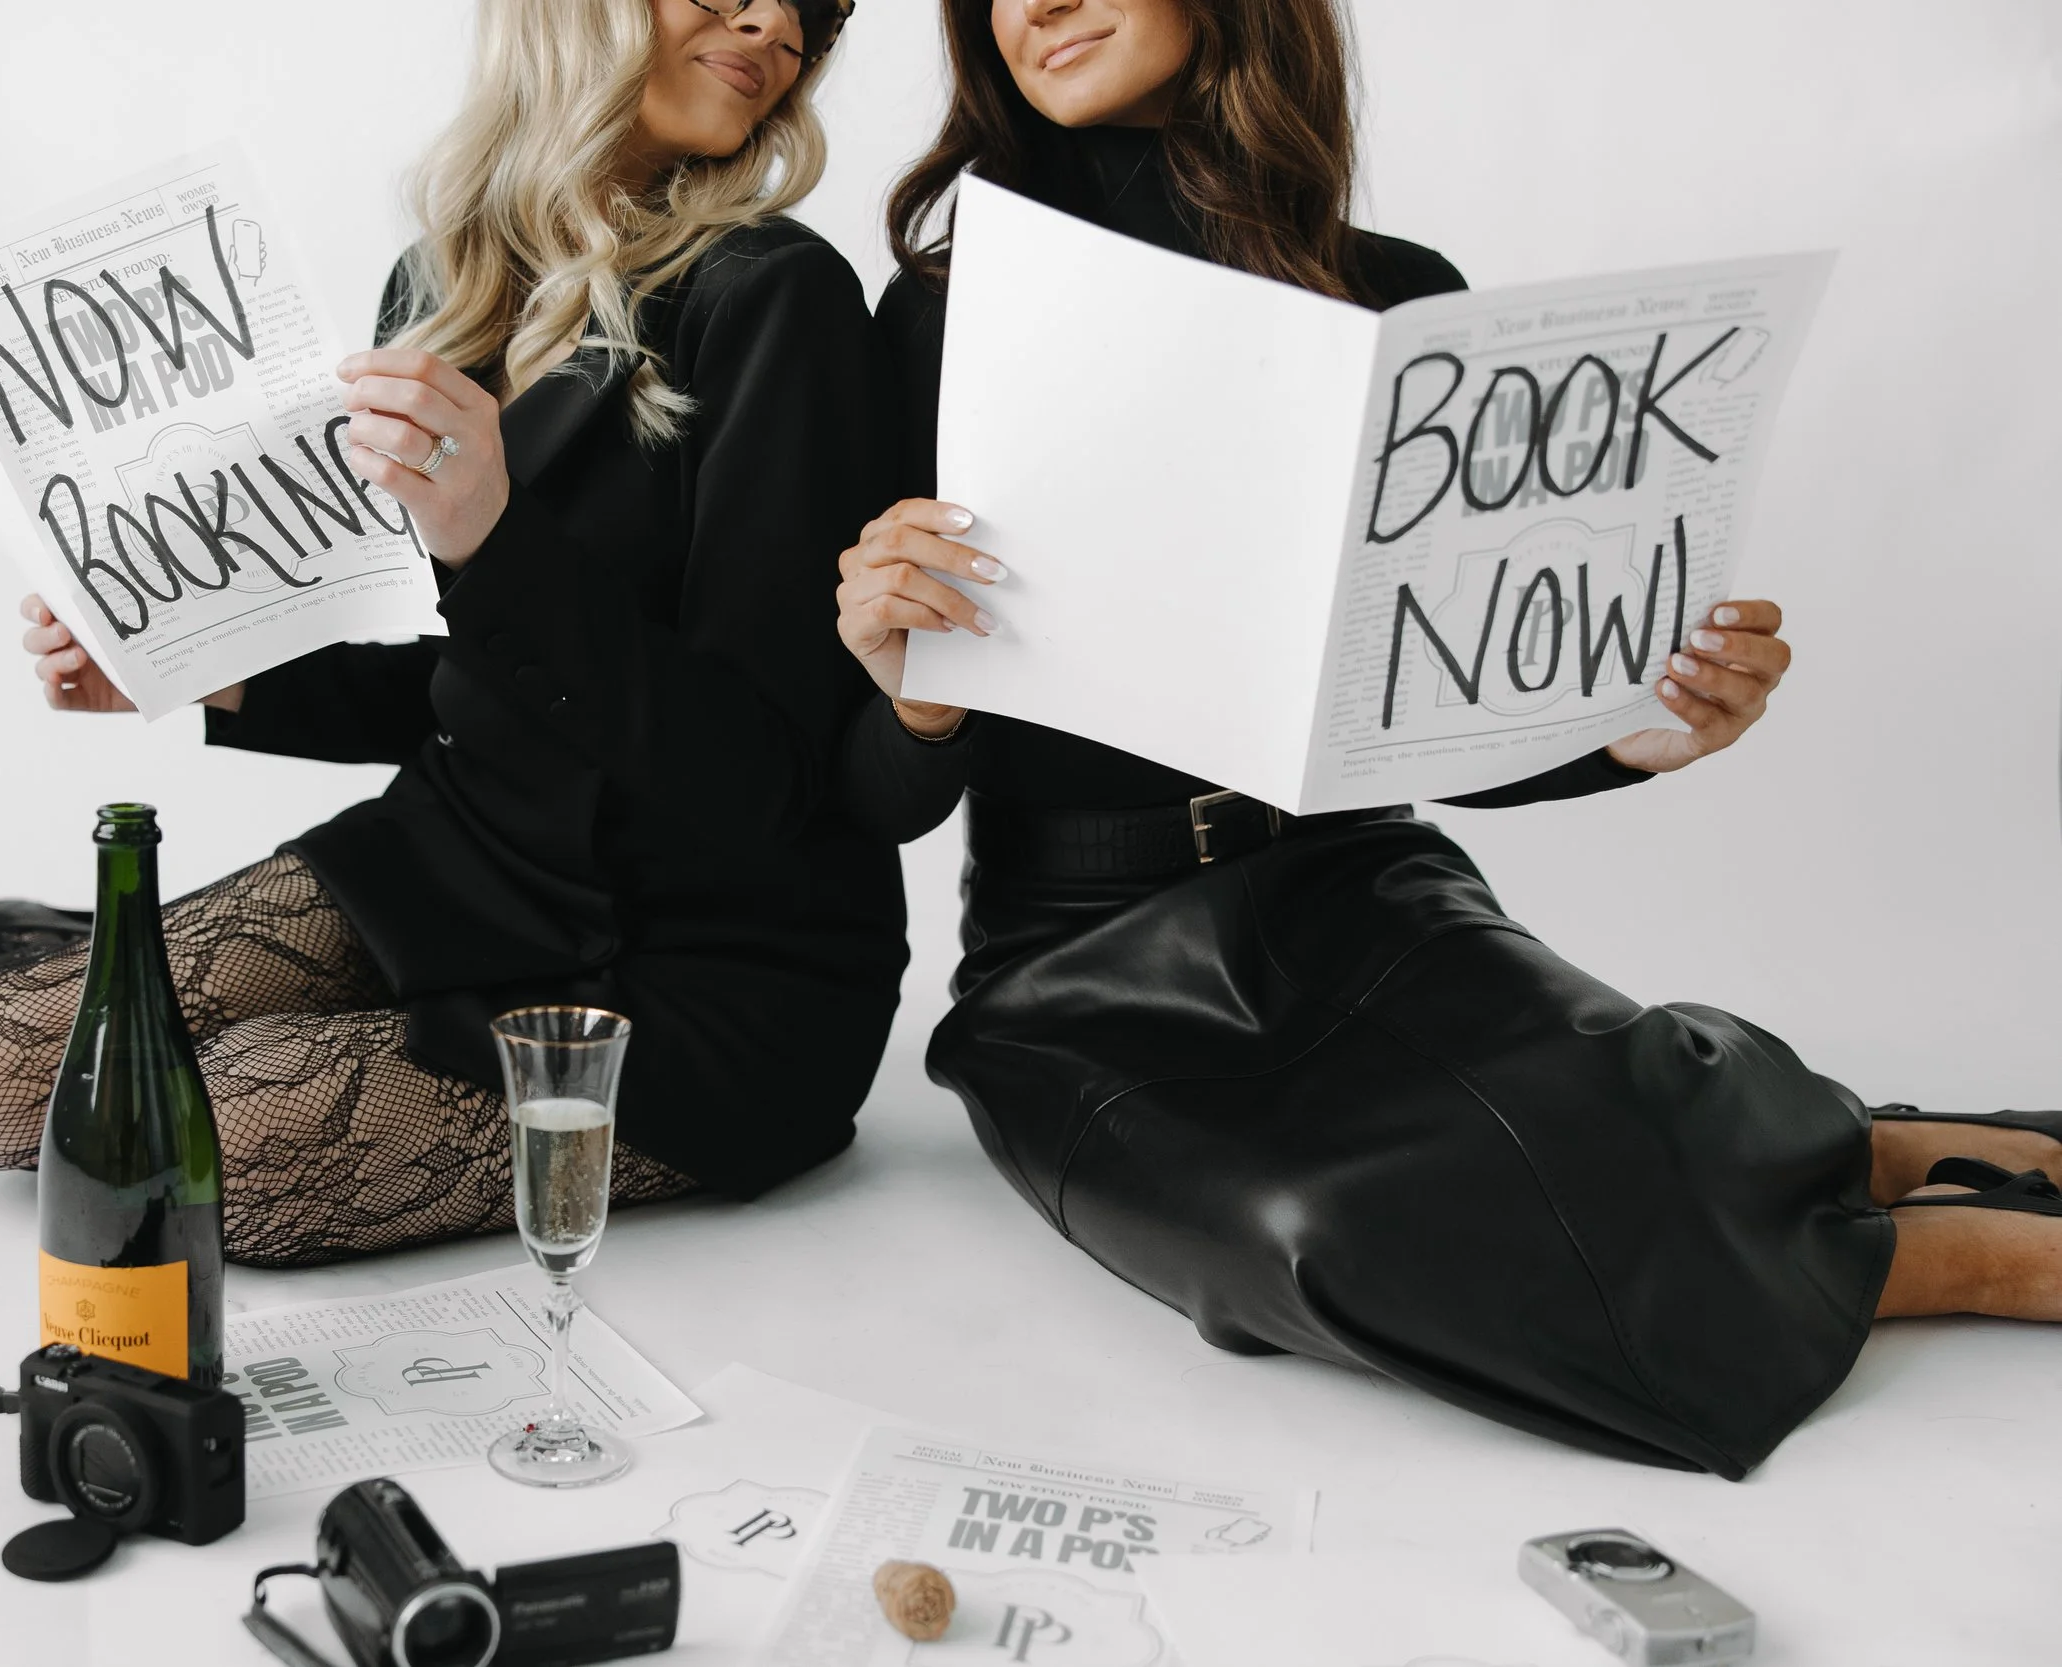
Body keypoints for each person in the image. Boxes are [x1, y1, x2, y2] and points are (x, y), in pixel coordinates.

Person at [832, 0, 2062, 1478]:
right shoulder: (933, 321)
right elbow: (874, 799)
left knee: (1573, 1108)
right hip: (1075, 960)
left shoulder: (1397, 300)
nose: (1032, 3)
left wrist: (1639, 734)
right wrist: (911, 689)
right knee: (1319, 1226)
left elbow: (1447, 717)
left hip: (1358, 890)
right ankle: (1942, 1251)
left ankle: (1875, 1160)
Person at [0, 0, 902, 1268]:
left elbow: (757, 777)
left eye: (817, 6)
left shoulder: (778, 295)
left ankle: (324, 1008)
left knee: (226, 1139)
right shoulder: (442, 281)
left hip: (712, 964)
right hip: (459, 865)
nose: (775, 23)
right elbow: (459, 677)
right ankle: (286, 983)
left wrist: (492, 539)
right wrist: (216, 673)